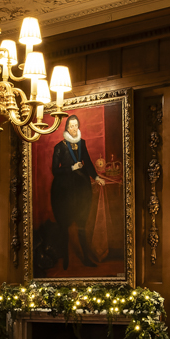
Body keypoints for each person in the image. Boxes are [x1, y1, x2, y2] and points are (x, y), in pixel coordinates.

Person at [49, 115, 106, 269]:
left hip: (80, 189)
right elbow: (55, 170)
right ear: (67, 128)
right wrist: (70, 168)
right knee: (65, 225)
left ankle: (86, 258)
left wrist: (95, 177)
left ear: (78, 127)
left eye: (76, 126)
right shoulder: (59, 147)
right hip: (64, 190)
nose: (74, 129)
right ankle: (66, 258)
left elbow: (86, 162)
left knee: (82, 224)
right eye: (71, 126)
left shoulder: (82, 143)